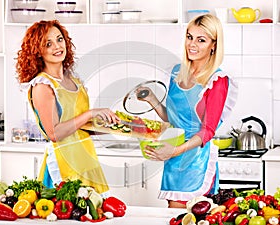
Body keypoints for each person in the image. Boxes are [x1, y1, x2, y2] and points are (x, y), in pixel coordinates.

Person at [137, 14, 238, 208]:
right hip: (173, 157)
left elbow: (207, 130)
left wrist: (175, 151)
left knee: (187, 216)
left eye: (201, 40)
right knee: (174, 216)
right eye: (190, 37)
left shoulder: (217, 80)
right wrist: (152, 99)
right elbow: (175, 120)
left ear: (213, 45)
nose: (192, 44)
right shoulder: (176, 71)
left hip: (195, 161)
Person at [16, 20, 120, 197]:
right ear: (37, 51)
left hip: (85, 160)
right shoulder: (43, 85)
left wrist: (113, 125)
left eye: (59, 39)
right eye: (48, 44)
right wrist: (90, 113)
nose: (57, 46)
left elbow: (81, 127)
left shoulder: (72, 80)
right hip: (64, 164)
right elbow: (54, 133)